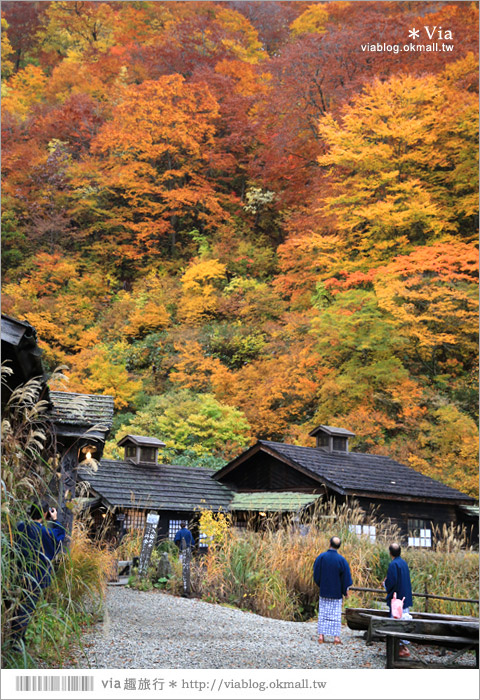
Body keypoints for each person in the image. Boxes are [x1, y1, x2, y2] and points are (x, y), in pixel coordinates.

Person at [11, 501, 66, 645]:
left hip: (18, 572)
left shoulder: (20, 526)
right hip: (36, 576)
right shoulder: (44, 532)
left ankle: (17, 639)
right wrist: (55, 519)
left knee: (18, 607)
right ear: (45, 513)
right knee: (27, 608)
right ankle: (16, 643)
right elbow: (59, 536)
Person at [313, 536, 353, 645]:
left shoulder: (321, 557)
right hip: (336, 592)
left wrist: (321, 584)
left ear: (329, 544)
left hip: (324, 590)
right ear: (339, 546)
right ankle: (336, 638)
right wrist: (345, 591)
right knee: (335, 615)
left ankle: (321, 636)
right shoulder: (342, 560)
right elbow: (346, 578)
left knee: (323, 614)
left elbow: (316, 574)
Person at [383, 542, 413, 658]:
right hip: (405, 597)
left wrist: (385, 583)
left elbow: (392, 582)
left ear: (390, 552)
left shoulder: (393, 564)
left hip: (397, 600)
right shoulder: (404, 563)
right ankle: (404, 647)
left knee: (396, 623)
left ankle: (401, 649)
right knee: (405, 621)